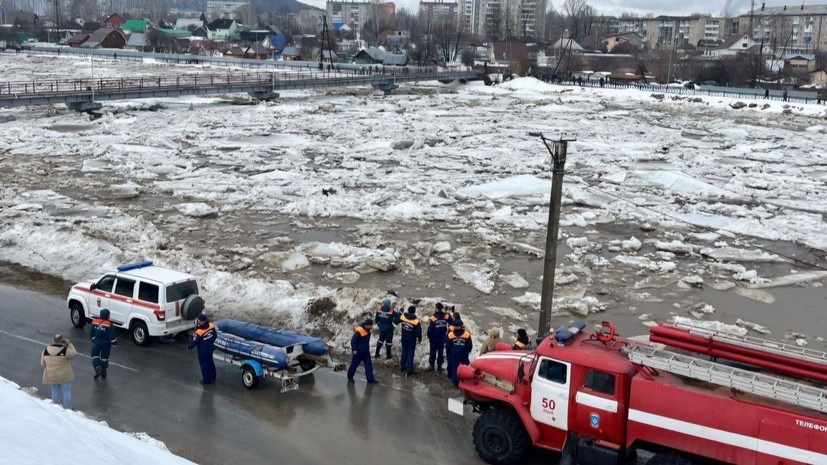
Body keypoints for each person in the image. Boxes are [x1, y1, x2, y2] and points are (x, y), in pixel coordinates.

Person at [41, 334, 77, 409]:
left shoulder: (46, 350)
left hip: (52, 375)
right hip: (64, 375)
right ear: (62, 340)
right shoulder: (64, 350)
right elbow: (74, 353)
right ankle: (68, 408)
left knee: (55, 391)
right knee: (66, 391)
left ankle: (56, 407)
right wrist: (69, 344)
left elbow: (42, 363)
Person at [188, 313, 217, 385]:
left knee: (204, 365)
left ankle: (206, 380)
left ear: (201, 321)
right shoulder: (211, 326)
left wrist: (189, 347)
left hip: (203, 351)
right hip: (210, 348)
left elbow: (194, 342)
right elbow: (215, 336)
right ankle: (213, 376)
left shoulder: (199, 332)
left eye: (198, 320)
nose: (197, 321)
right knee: (210, 362)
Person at [347, 319, 378, 384]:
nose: (372, 326)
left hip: (366, 351)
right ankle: (350, 377)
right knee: (354, 365)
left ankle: (370, 379)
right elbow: (353, 340)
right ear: (367, 325)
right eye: (371, 325)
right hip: (358, 352)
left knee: (368, 365)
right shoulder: (359, 331)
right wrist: (354, 349)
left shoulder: (368, 329)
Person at [90, 309, 116, 380]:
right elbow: (112, 336)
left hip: (97, 342)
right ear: (107, 315)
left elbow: (91, 333)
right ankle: (103, 371)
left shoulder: (94, 322)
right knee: (104, 357)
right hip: (106, 344)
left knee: (95, 354)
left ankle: (97, 366)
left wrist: (94, 340)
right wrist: (114, 343)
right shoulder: (109, 324)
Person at [446, 320, 472, 387]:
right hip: (464, 354)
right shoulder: (466, 334)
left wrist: (449, 353)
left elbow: (448, 346)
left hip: (454, 354)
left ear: (454, 326)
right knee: (464, 367)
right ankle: (464, 381)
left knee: (454, 368)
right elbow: (470, 345)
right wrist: (467, 351)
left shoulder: (450, 335)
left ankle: (455, 382)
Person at [399, 306, 422, 376]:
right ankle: (409, 370)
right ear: (414, 311)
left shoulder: (403, 317)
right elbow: (418, 332)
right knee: (410, 353)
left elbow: (396, 320)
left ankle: (402, 366)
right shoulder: (416, 321)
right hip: (411, 339)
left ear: (408, 310)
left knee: (404, 351)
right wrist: (420, 338)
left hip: (404, 337)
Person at [427, 302, 451, 371]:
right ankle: (439, 366)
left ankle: (431, 365)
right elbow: (451, 321)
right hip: (442, 338)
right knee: (440, 352)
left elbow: (430, 330)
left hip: (434, 339)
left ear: (437, 309)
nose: (434, 308)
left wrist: (429, 337)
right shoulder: (445, 316)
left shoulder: (433, 318)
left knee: (433, 352)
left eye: (435, 307)